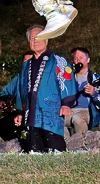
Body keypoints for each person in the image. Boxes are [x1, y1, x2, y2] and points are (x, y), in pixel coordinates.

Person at [13, 24, 78, 152]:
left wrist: (66, 103)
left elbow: (67, 80)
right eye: (32, 38)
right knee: (35, 150)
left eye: (39, 37)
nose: (35, 41)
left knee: (55, 149)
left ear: (46, 39)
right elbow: (21, 89)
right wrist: (20, 111)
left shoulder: (58, 61)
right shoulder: (26, 65)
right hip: (32, 114)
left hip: (52, 113)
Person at [64, 47, 100, 138]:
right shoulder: (69, 77)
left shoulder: (94, 78)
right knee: (56, 119)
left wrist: (94, 93)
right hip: (70, 109)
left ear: (88, 60)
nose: (78, 60)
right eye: (75, 58)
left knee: (77, 118)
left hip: (87, 111)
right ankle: (65, 146)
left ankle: (82, 145)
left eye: (81, 58)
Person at [0, 51, 33, 143]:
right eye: (25, 60)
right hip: (21, 112)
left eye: (30, 60)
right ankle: (15, 145)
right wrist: (3, 100)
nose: (27, 63)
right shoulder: (18, 79)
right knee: (1, 124)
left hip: (38, 113)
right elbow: (6, 92)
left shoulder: (45, 77)